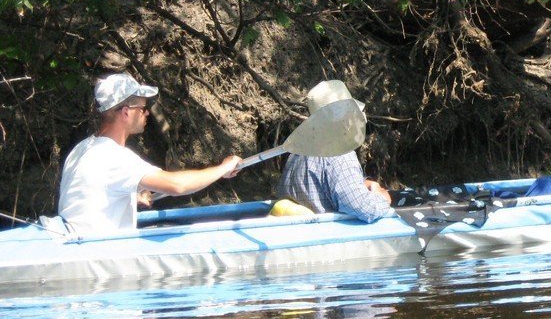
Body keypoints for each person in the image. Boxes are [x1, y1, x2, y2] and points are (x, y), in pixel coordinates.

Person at [58, 73, 242, 235]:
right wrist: (223, 168)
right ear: (126, 113)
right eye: (141, 109)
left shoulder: (82, 149)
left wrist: (131, 195)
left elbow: (91, 194)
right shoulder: (114, 157)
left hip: (75, 241)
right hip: (95, 256)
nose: (146, 113)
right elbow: (176, 186)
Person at [275, 80, 392, 222]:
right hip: (324, 235)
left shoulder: (300, 149)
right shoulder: (340, 152)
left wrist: (363, 183)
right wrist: (382, 197)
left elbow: (327, 183)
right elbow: (364, 208)